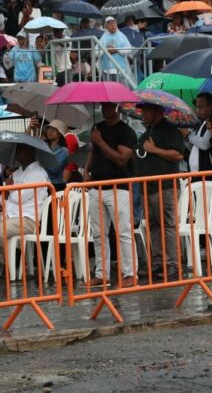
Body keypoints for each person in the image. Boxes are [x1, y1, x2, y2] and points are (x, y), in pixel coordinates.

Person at [0, 144, 49, 275]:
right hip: (8, 215)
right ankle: (12, 258)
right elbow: (3, 199)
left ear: (29, 152)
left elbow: (19, 198)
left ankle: (9, 259)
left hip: (28, 219)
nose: (16, 153)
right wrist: (8, 190)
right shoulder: (17, 173)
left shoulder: (38, 173)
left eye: (20, 150)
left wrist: (9, 188)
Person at [83, 102, 137, 287]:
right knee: (99, 234)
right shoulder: (97, 128)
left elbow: (121, 159)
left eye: (109, 106)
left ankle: (130, 273)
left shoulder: (127, 132)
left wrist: (99, 141)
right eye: (103, 106)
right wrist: (86, 170)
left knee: (123, 232)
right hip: (97, 186)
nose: (105, 109)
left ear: (117, 108)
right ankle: (102, 273)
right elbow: (93, 151)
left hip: (118, 187)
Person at [133, 104, 185, 282]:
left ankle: (172, 264)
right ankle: (157, 263)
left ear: (156, 112)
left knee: (168, 225)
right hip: (148, 187)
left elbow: (178, 155)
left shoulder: (170, 130)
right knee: (154, 226)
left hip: (165, 186)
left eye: (146, 110)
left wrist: (155, 150)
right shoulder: (147, 133)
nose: (143, 113)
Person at [187, 92, 212, 173]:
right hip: (196, 173)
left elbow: (205, 144)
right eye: (196, 107)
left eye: (201, 107)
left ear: (211, 107)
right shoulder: (202, 123)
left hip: (210, 173)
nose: (197, 110)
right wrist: (185, 137)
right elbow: (194, 146)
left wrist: (188, 135)